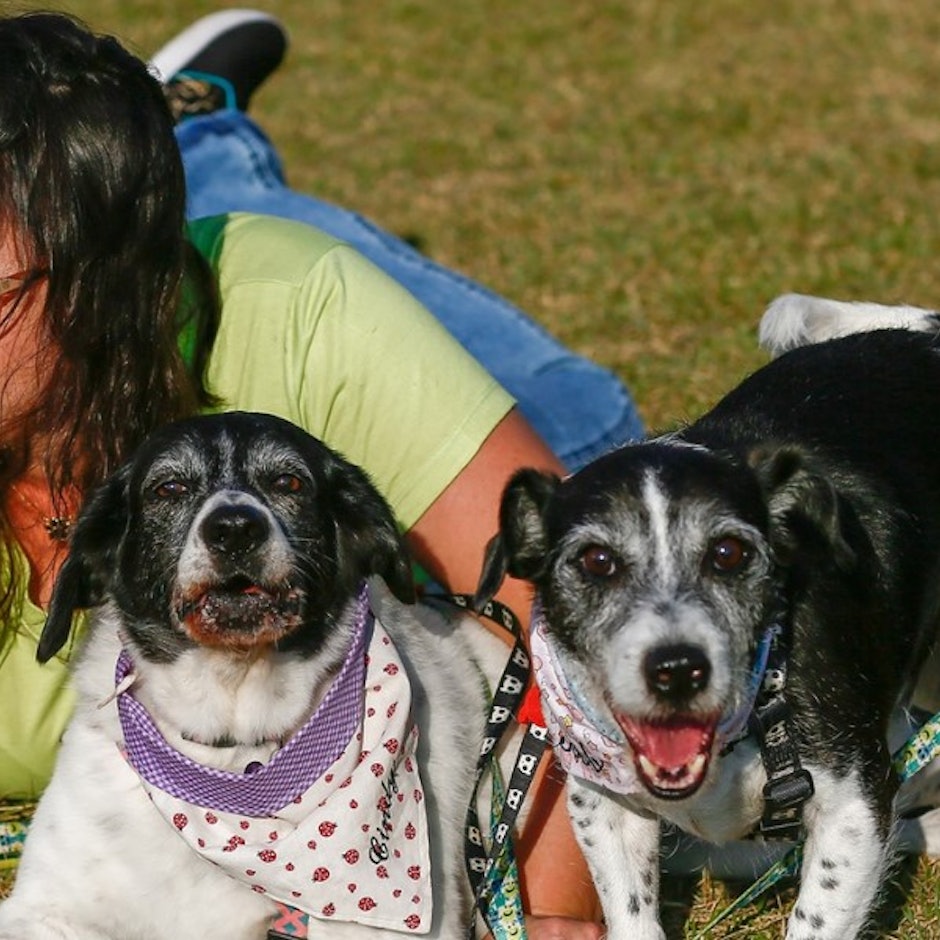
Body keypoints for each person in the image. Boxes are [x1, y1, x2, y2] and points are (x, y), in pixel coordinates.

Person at [0, 10, 642, 939]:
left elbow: (562, 601)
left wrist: (557, 911)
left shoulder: (298, 313)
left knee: (589, 419)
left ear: (99, 283)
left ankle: (201, 131)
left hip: (405, 377)